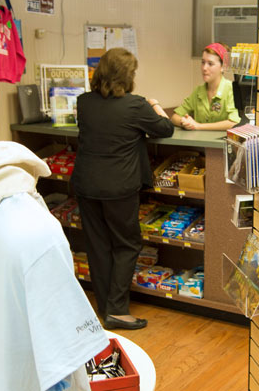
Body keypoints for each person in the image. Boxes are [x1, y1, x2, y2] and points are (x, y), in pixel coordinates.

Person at [72, 48, 173, 330]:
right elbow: (165, 129)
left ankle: (104, 307)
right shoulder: (135, 105)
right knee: (127, 245)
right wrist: (155, 106)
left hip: (86, 185)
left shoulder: (83, 102)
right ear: (127, 76)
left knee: (97, 245)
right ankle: (117, 309)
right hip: (119, 187)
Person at [171, 43, 241, 131]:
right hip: (200, 144)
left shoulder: (231, 89)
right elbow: (174, 117)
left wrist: (198, 126)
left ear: (223, 67)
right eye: (203, 62)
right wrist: (184, 122)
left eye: (210, 64)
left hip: (223, 144)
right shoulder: (198, 91)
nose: (204, 68)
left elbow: (233, 123)